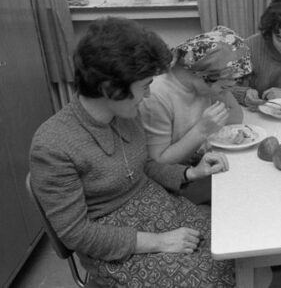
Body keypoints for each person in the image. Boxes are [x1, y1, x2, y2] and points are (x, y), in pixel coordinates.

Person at [29, 17, 236, 287]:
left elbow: (143, 166)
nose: (149, 95)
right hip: (115, 240)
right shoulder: (53, 145)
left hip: (159, 208)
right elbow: (76, 233)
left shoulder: (124, 113)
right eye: (145, 85)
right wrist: (158, 242)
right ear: (110, 89)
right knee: (209, 278)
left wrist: (191, 172)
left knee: (233, 246)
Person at [139, 26, 251, 204]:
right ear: (203, 76)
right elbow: (158, 163)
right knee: (243, 195)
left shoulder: (202, 83)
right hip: (173, 183)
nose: (224, 93)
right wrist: (201, 130)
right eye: (223, 87)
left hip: (199, 167)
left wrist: (223, 88)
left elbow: (236, 117)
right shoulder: (156, 95)